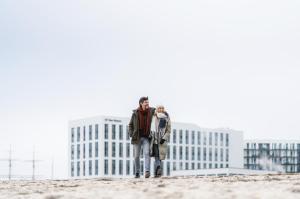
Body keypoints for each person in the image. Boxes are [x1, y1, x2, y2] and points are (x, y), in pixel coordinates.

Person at [128, 96, 156, 178]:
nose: (147, 103)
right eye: (145, 102)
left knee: (147, 153)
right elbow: (130, 125)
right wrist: (131, 134)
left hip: (146, 138)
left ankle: (147, 171)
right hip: (137, 138)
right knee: (136, 156)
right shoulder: (135, 113)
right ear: (141, 103)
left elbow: (158, 111)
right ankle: (137, 172)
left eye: (148, 102)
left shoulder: (151, 111)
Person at [150, 105, 171, 177]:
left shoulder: (167, 118)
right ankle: (158, 168)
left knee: (160, 156)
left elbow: (168, 131)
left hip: (162, 140)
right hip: (154, 138)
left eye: (162, 108)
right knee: (156, 155)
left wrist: (164, 138)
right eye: (159, 108)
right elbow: (151, 127)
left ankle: (157, 170)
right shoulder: (153, 117)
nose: (161, 109)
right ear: (157, 109)